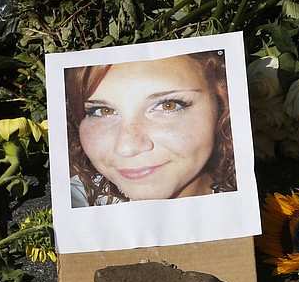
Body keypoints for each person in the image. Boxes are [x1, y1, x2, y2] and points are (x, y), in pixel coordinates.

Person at [65, 51, 236, 207]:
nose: (127, 147)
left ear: (223, 106)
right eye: (103, 111)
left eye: (168, 106)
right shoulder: (73, 200)